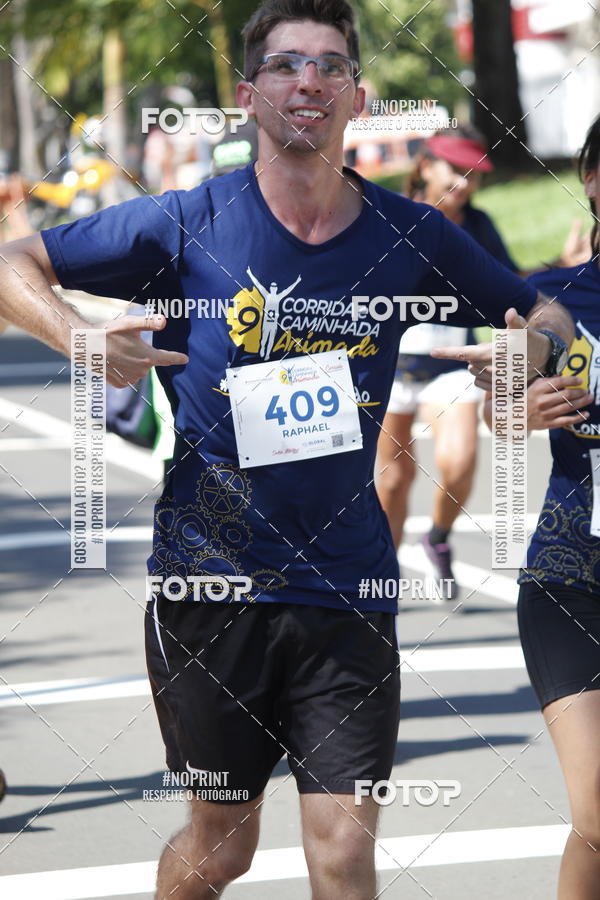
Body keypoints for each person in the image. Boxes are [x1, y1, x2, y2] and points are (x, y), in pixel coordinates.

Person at [0, 1, 573, 897]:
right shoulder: (185, 221)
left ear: (358, 97)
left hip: (348, 586)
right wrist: (78, 338)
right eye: (286, 64)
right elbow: (12, 262)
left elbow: (545, 310)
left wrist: (525, 354)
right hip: (211, 586)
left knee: (342, 851)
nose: (309, 81)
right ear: (247, 95)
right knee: (221, 848)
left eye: (331, 65)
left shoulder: (409, 232)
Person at [482, 114, 600, 900]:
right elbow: (514, 373)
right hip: (571, 579)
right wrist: (510, 396)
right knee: (599, 812)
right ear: (592, 182)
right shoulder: (562, 297)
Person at [376, 127, 519, 601]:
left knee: (458, 463)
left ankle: (437, 536)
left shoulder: (478, 225)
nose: (464, 182)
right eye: (455, 170)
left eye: (474, 174)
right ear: (425, 166)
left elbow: (512, 288)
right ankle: (385, 586)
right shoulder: (389, 217)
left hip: (452, 364)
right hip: (390, 365)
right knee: (393, 482)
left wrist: (562, 267)